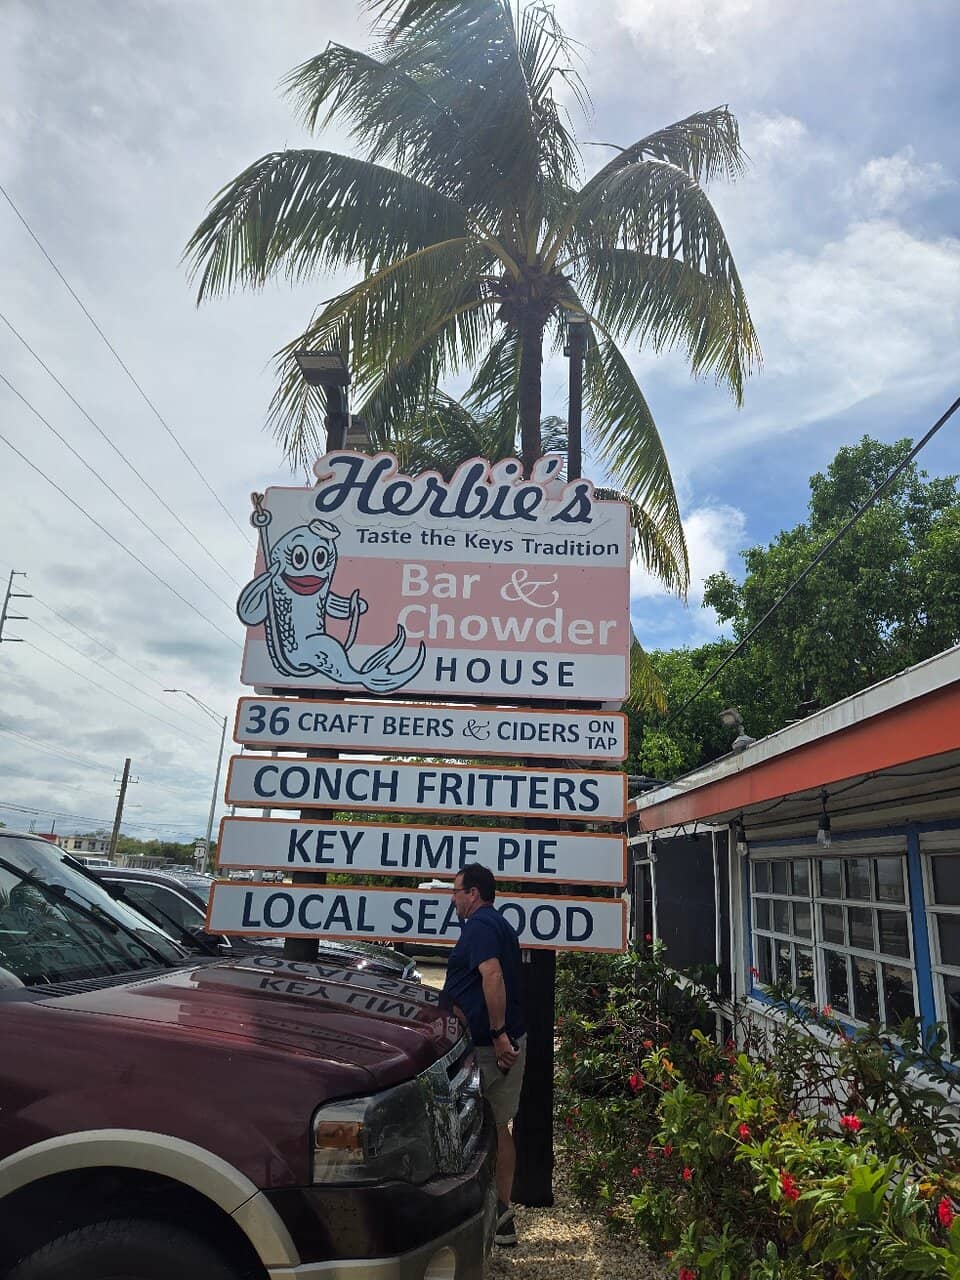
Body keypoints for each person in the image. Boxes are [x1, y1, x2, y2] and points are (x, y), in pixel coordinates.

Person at [441, 863, 527, 1248]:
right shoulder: (500, 925)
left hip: (487, 1049)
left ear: (473, 893)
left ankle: (471, 1214)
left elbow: (492, 976)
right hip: (501, 1045)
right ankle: (501, 1214)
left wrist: (497, 1035)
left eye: (456, 891)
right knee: (498, 1124)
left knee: (465, 1126)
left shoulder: (479, 926)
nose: (453, 899)